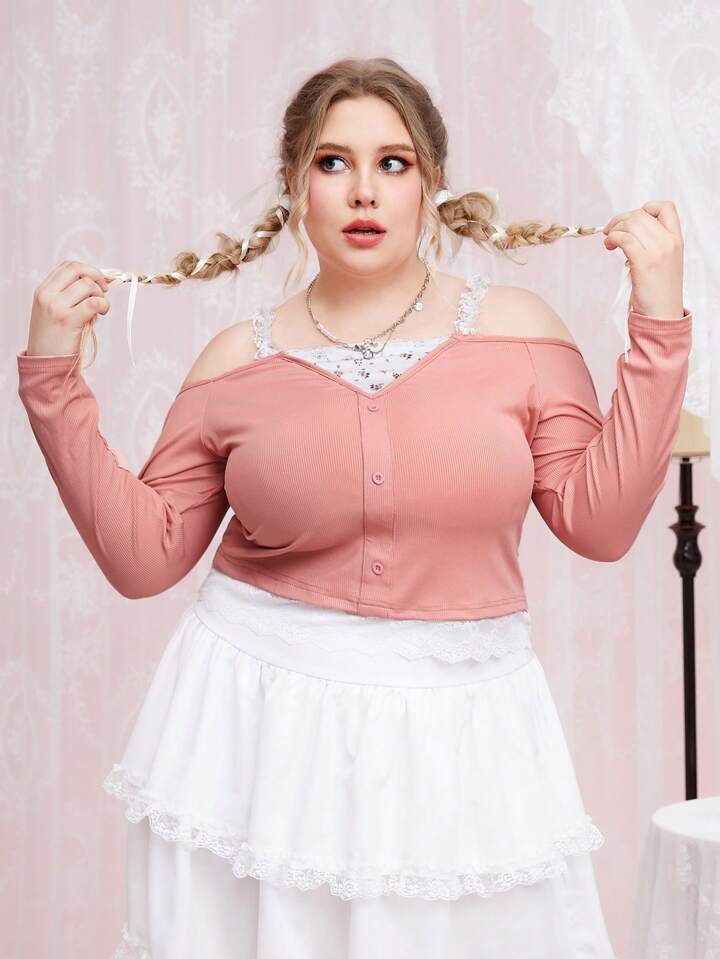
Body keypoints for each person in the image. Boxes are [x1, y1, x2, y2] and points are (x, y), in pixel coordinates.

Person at [17, 57, 690, 959]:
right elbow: (144, 559)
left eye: (392, 163)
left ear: (431, 183)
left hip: (466, 733)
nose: (363, 190)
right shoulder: (235, 362)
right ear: (295, 184)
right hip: (258, 740)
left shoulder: (522, 334)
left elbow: (599, 525)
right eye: (332, 162)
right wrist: (54, 381)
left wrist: (658, 322)